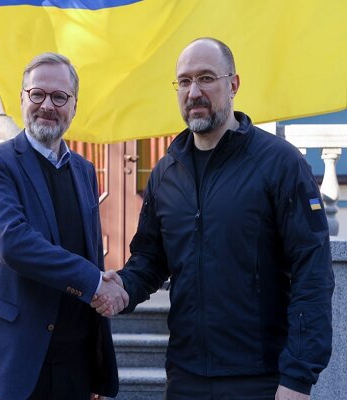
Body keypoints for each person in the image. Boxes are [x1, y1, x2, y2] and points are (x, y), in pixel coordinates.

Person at [92, 37, 334, 400]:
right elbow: (150, 260)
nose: (193, 92)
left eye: (206, 78)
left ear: (233, 84)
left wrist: (298, 377)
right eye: (184, 81)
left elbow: (312, 273)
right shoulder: (166, 173)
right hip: (186, 376)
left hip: (260, 379)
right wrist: (121, 288)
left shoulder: (280, 164)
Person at [0, 52, 126, 400]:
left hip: (75, 363)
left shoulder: (84, 170)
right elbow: (15, 243)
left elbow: (91, 254)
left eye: (59, 97)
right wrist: (95, 283)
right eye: (37, 94)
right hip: (13, 362)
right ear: (22, 99)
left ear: (74, 107)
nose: (47, 105)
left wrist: (96, 368)